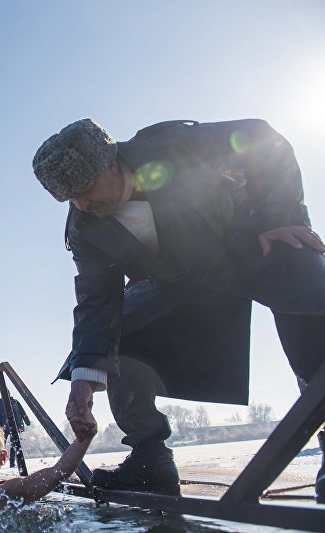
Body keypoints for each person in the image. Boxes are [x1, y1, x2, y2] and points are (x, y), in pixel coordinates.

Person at [32, 118, 325, 498]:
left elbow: (259, 138)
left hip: (246, 244)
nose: (82, 204)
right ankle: (149, 457)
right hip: (177, 284)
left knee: (300, 268)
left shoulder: (170, 146)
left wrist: (280, 216)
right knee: (117, 335)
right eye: (70, 198)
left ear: (110, 163)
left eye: (85, 189)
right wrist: (83, 378)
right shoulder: (85, 229)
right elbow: (97, 305)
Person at [0, 397, 31, 467]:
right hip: (3, 427)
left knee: (14, 445)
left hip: (15, 426)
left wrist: (27, 421)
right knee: (1, 445)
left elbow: (21, 411)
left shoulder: (15, 401)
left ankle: (12, 462)